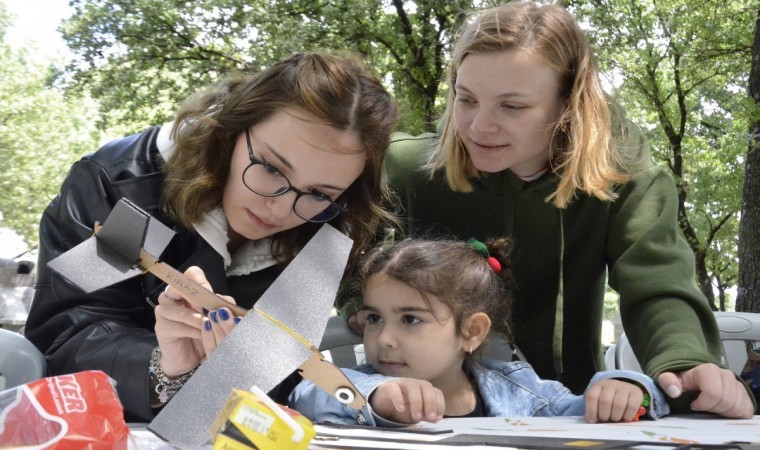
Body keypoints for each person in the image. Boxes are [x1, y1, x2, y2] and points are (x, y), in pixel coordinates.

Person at [337, 1, 755, 418]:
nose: (480, 127)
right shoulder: (402, 168)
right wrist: (361, 304)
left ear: (567, 105)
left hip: (565, 412)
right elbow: (335, 258)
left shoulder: (623, 180)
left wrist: (685, 363)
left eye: (512, 106)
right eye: (466, 100)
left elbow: (658, 282)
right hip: (414, 414)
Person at [24, 51, 398, 422]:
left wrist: (371, 393)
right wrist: (162, 367)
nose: (280, 209)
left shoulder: (327, 234)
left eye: (320, 194)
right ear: (233, 129)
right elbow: (67, 335)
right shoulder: (130, 195)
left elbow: (284, 379)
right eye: (269, 167)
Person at [291, 238, 670, 425]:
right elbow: (307, 394)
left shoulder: (520, 391)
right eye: (375, 318)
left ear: (471, 331)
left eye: (410, 319)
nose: (384, 338)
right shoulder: (361, 383)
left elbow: (581, 410)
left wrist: (626, 387)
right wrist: (375, 397)